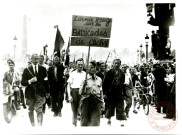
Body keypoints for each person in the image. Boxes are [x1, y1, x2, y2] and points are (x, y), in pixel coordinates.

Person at [21, 53, 47, 126]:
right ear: (31, 59)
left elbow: (45, 81)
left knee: (39, 110)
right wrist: (30, 81)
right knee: (30, 110)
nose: (36, 60)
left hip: (40, 93)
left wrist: (47, 92)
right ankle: (33, 125)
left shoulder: (43, 69)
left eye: (37, 58)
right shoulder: (26, 70)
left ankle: (39, 126)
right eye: (34, 59)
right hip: (30, 93)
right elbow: (22, 82)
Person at [103, 59, 127, 126]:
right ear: (113, 64)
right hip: (110, 93)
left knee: (120, 107)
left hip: (119, 93)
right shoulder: (108, 73)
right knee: (110, 106)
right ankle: (109, 119)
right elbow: (104, 84)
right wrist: (104, 93)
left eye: (118, 63)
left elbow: (123, 84)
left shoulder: (122, 74)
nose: (116, 65)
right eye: (115, 63)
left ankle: (121, 120)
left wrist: (124, 94)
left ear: (120, 64)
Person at [79, 60, 104, 126]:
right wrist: (84, 85)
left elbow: (101, 91)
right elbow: (80, 92)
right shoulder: (84, 79)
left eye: (94, 67)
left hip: (96, 102)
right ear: (87, 68)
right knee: (84, 123)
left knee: (95, 124)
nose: (93, 69)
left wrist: (102, 103)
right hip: (86, 102)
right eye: (91, 67)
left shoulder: (99, 79)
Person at [67, 58, 86, 126]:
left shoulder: (85, 74)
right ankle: (74, 124)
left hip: (82, 92)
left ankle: (82, 123)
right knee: (74, 109)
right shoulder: (72, 74)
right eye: (79, 64)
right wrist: (69, 95)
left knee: (81, 109)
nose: (80, 66)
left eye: (81, 64)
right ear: (75, 65)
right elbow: (68, 85)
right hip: (74, 92)